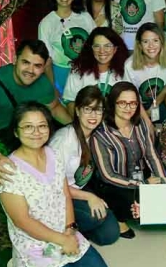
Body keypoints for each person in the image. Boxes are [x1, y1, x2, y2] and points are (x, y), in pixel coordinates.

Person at [0, 102, 110, 267]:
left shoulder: (52, 154)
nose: (36, 132)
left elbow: (65, 194)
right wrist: (61, 241)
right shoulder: (9, 171)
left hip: (64, 231)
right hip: (36, 243)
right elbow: (22, 221)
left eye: (42, 126)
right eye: (28, 127)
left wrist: (70, 229)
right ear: (16, 131)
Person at [0, 40, 72, 255]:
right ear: (15, 59)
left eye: (37, 66)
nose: (31, 70)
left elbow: (55, 108)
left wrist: (78, 128)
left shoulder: (42, 85)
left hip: (13, 125)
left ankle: (30, 213)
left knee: (32, 160)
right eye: (26, 63)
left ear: (45, 66)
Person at [90, 82, 166, 238]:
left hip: (138, 175)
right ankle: (119, 218)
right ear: (113, 103)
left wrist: (163, 181)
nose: (128, 108)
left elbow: (151, 155)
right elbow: (108, 175)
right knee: (134, 201)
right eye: (122, 103)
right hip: (115, 184)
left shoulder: (140, 125)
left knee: (159, 194)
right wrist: (143, 185)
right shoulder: (100, 134)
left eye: (133, 103)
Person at [49, 87, 119, 246]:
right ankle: (64, 227)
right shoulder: (64, 139)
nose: (93, 115)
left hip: (80, 189)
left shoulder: (96, 135)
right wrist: (90, 197)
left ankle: (78, 227)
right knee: (94, 217)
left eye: (98, 110)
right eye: (88, 109)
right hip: (60, 195)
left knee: (110, 235)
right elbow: (54, 184)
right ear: (78, 111)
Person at [38, 0, 96, 92]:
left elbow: (97, 42)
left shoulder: (84, 17)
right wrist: (52, 86)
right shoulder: (46, 23)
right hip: (59, 73)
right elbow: (46, 59)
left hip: (85, 71)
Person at [62, 27, 127, 113]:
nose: (102, 51)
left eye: (107, 46)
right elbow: (70, 102)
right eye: (97, 46)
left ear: (115, 49)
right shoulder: (78, 71)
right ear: (91, 48)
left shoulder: (126, 69)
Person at [123, 23, 166, 123]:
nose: (151, 46)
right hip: (139, 105)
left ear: (162, 42)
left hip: (161, 100)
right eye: (145, 41)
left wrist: (154, 106)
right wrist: (146, 117)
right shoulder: (129, 65)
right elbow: (132, 97)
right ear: (139, 45)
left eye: (155, 41)